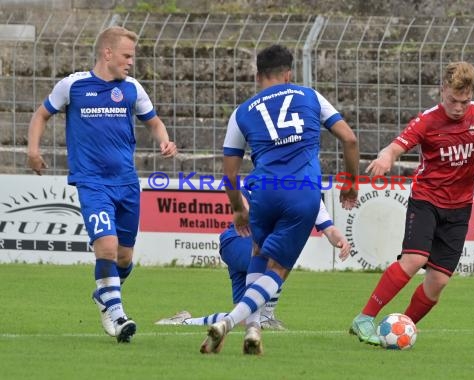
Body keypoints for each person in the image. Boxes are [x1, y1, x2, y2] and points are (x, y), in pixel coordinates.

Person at [349, 61, 474, 345]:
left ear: (472, 94)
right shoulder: (428, 120)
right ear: (442, 90)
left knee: (439, 281)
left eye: (465, 101)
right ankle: (364, 318)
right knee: (415, 259)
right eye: (452, 100)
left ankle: (402, 328)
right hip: (427, 200)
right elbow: (396, 146)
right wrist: (386, 157)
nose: (458, 107)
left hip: (460, 208)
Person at [200, 44, 359, 355]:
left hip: (263, 192)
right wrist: (351, 183)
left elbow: (230, 174)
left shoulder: (242, 112)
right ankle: (228, 322)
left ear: (258, 76)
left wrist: (237, 210)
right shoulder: (310, 96)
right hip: (302, 193)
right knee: (279, 269)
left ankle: (254, 331)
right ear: (289, 74)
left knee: (259, 255)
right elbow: (350, 139)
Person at [27, 26, 177, 343]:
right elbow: (41, 115)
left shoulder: (132, 88)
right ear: (107, 53)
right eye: (126, 56)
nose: (130, 62)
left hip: (126, 183)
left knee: (123, 257)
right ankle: (117, 315)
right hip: (92, 181)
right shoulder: (73, 86)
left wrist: (165, 141)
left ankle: (104, 295)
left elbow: (154, 122)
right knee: (106, 247)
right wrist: (33, 151)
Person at [155, 190, 350, 329]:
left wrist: (339, 239)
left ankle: (185, 321)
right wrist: (244, 208)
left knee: (244, 318)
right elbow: (236, 188)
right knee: (278, 255)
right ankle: (267, 316)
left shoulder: (311, 196)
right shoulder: (271, 178)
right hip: (238, 241)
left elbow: (329, 229)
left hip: (255, 249)